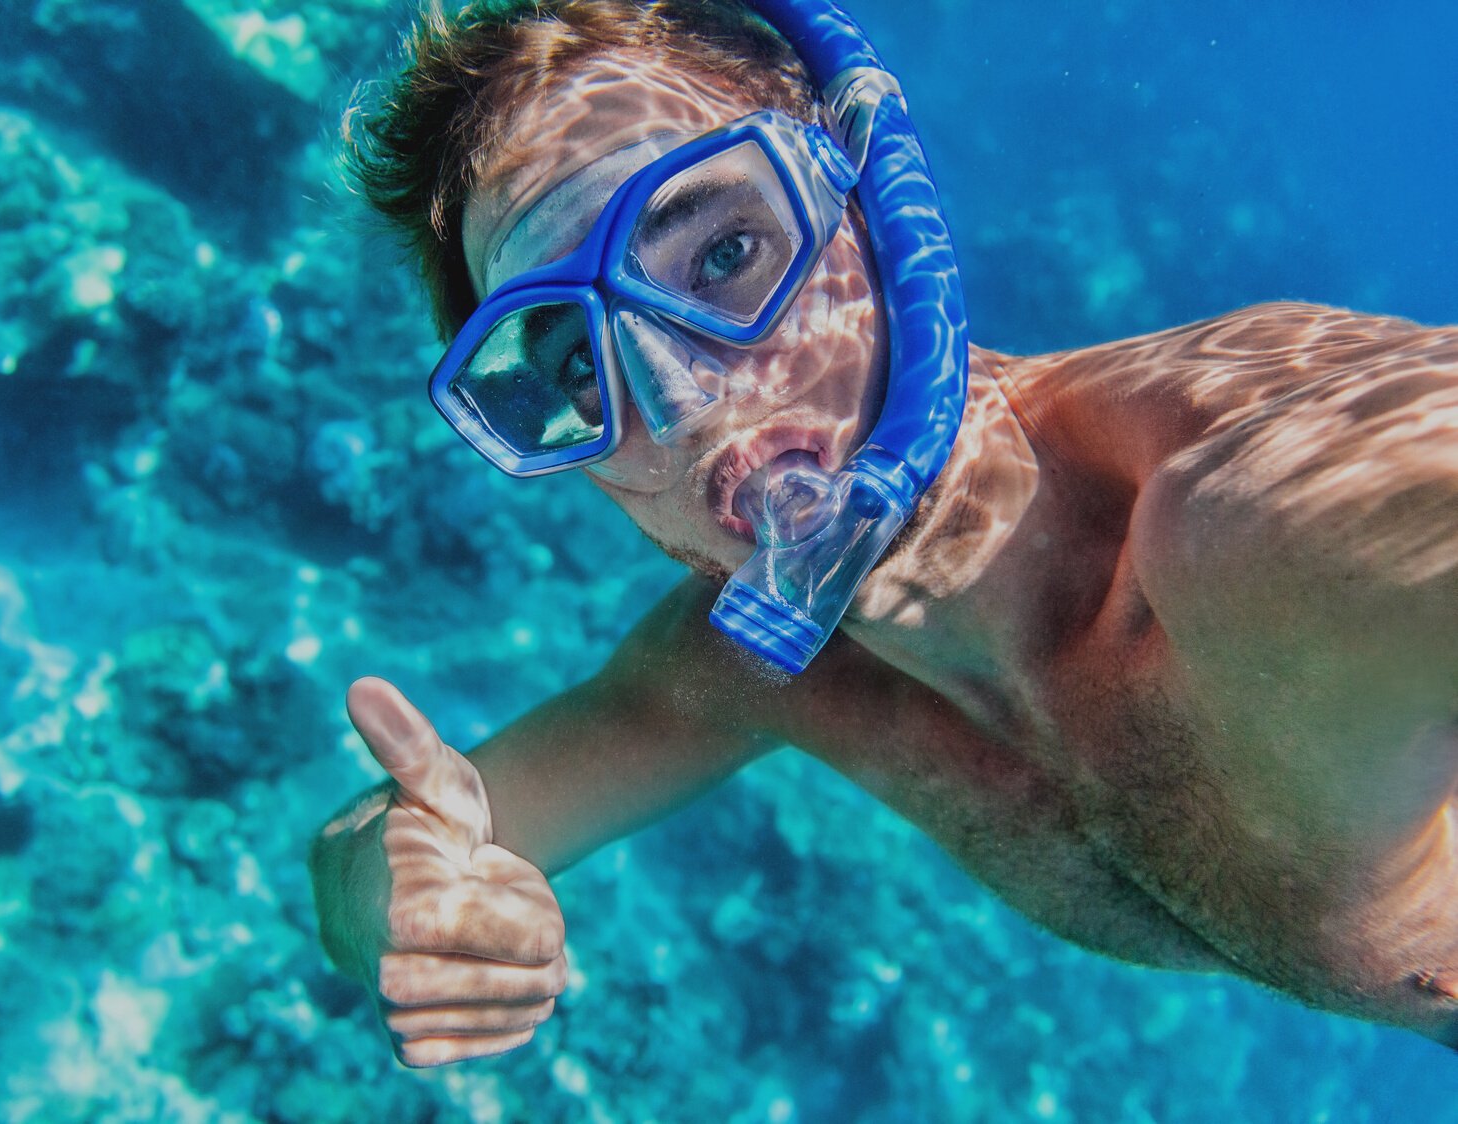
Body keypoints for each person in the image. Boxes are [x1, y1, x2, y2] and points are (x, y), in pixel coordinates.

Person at [308, 0, 1458, 1068]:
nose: (677, 397)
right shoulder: (767, 663)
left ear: (871, 200)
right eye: (575, 364)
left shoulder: (1254, 523)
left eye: (721, 253)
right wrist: (405, 907)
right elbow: (398, 840)